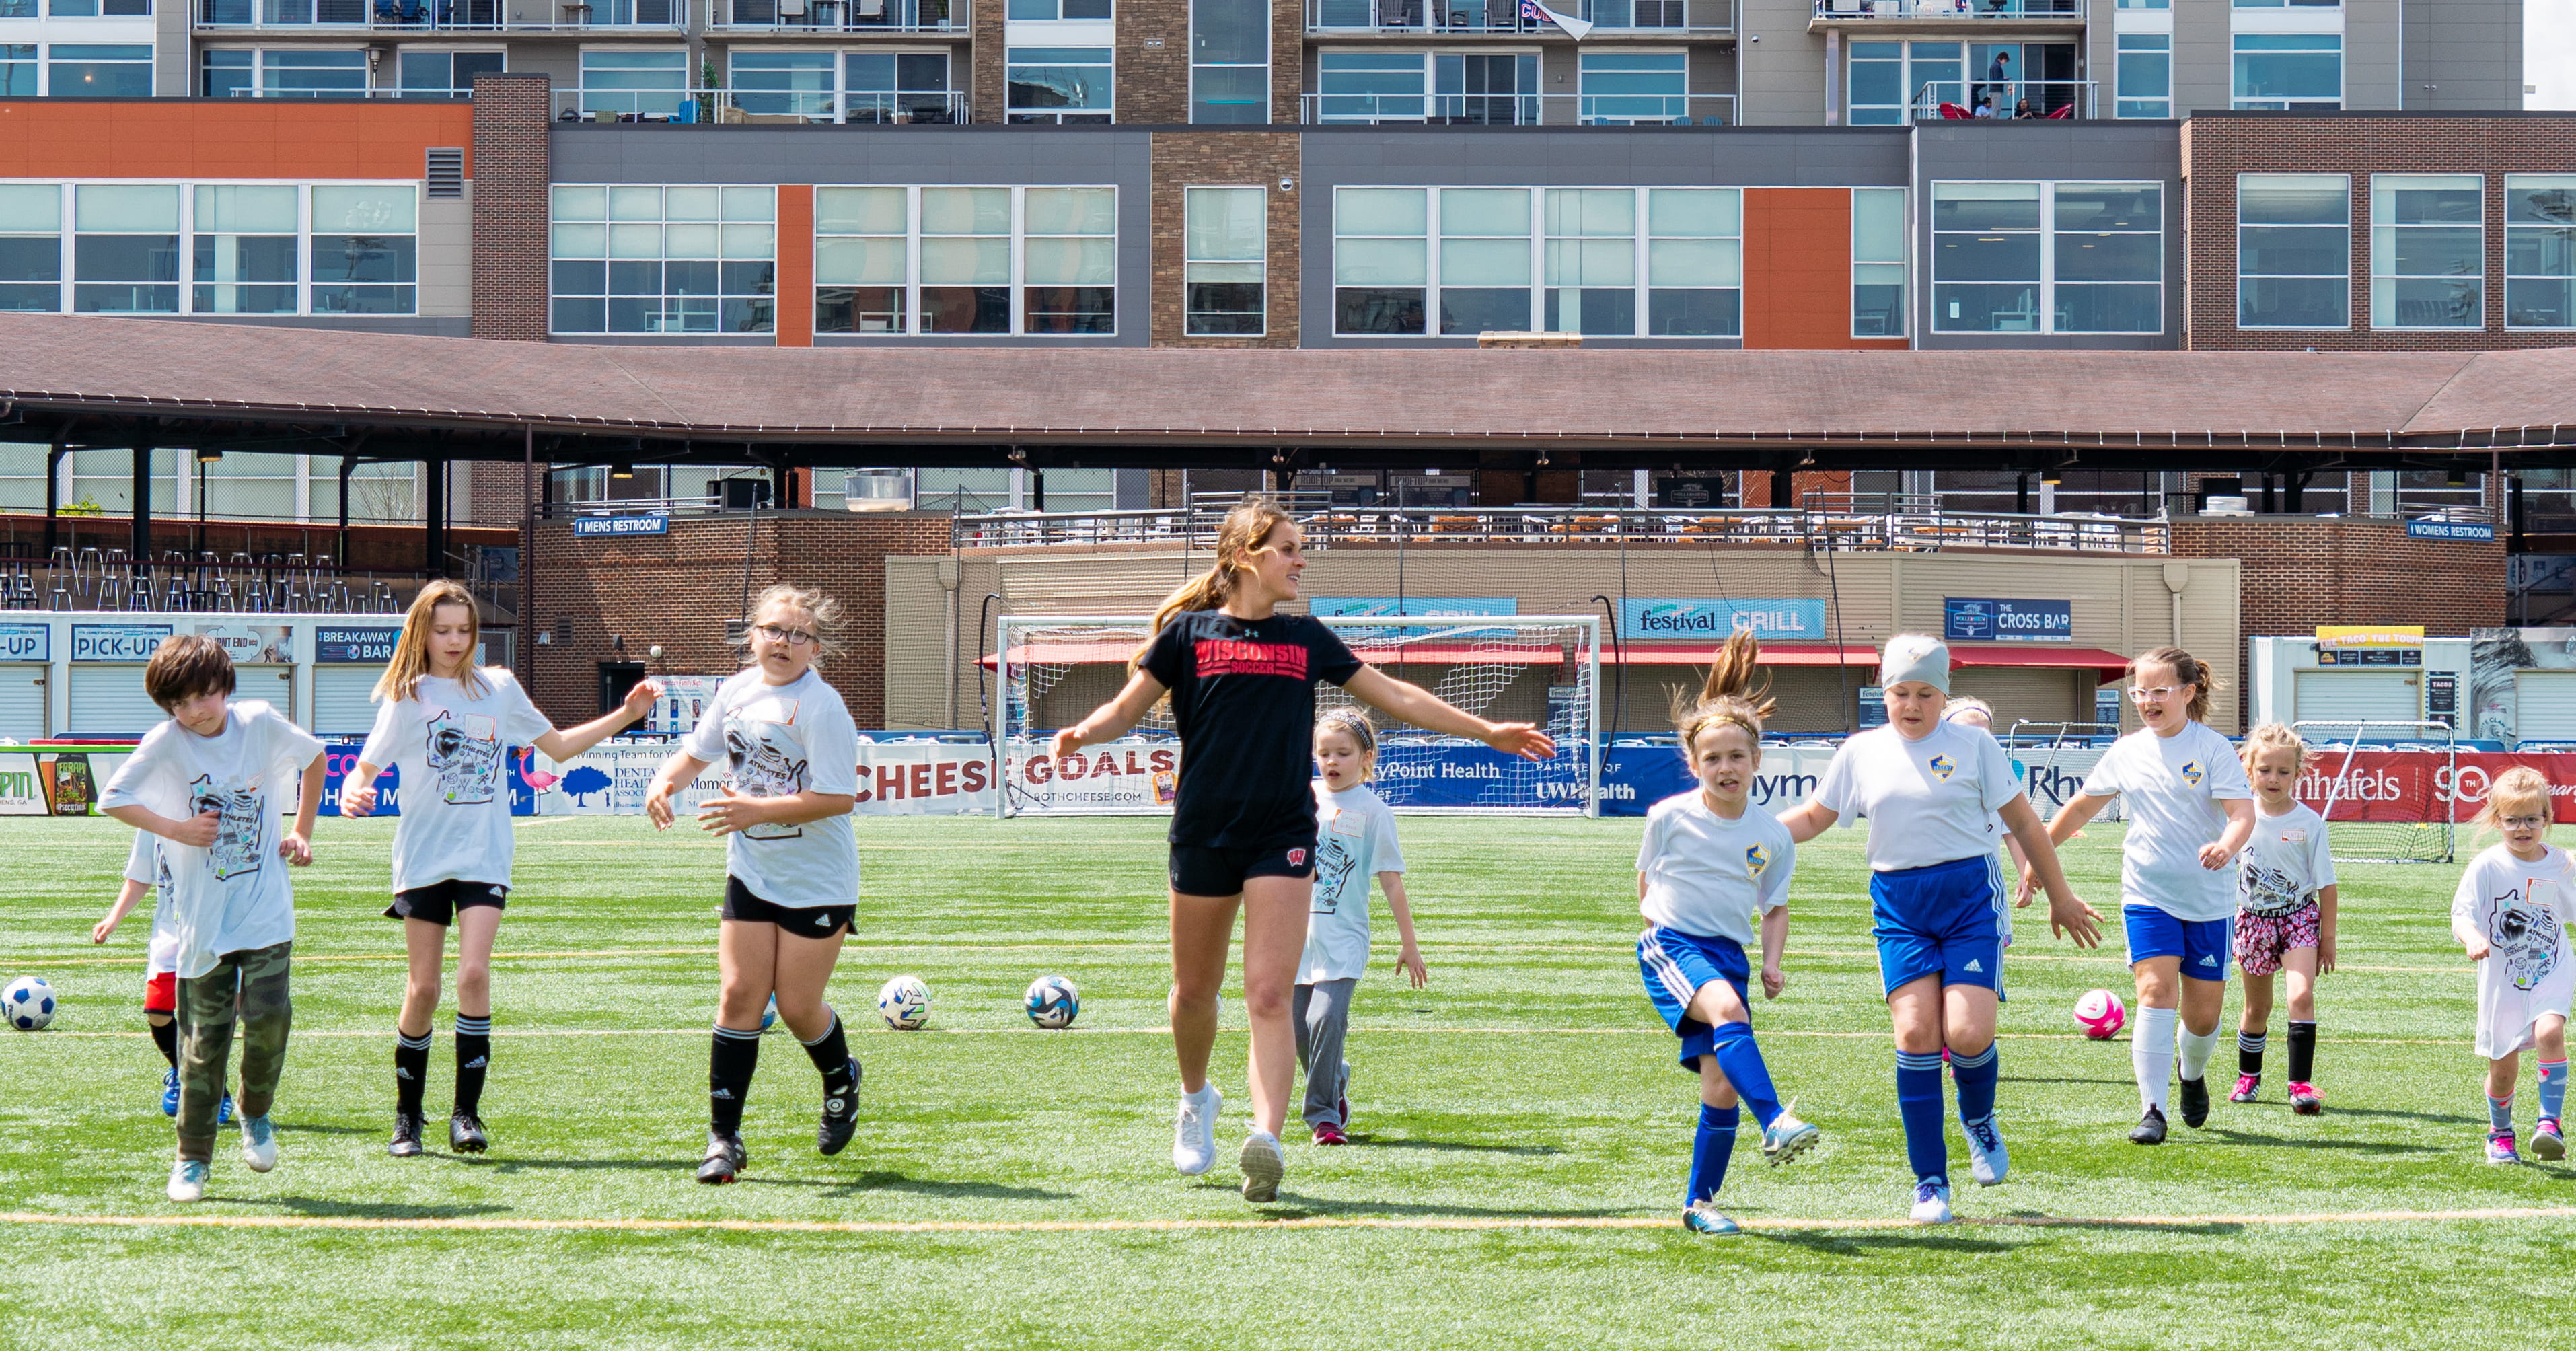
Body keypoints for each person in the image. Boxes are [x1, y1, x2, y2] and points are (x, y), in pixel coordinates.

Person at [1050, 497, 1555, 1203]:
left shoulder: (1306, 637)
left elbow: (1396, 694)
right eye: (1289, 547)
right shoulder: (1187, 635)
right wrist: (1080, 734)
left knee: (1267, 994)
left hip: (1283, 834)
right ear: (1245, 557)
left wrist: (1486, 731)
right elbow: (1126, 708)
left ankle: (1267, 1139)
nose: (1300, 560)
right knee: (1195, 993)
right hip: (1202, 833)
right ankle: (1196, 1099)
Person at [1780, 635, 2097, 1225]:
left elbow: (2025, 823)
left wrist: (2061, 895)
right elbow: (1814, 817)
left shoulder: (1973, 745)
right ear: (1884, 693)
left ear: (1943, 694)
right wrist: (1753, 838)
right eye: (1900, 692)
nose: (1912, 704)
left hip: (1969, 898)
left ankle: (1978, 1119)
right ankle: (1929, 1183)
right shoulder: (1860, 751)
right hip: (1899, 905)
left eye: (1925, 693)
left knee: (1968, 1033)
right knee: (1915, 1035)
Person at [343, 579, 663, 1158]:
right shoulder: (408, 696)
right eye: (442, 630)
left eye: (464, 630)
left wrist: (628, 713)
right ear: (422, 631)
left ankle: (466, 1115)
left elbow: (559, 748)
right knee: (423, 989)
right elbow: (363, 769)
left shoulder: (499, 687)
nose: (455, 640)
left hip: (484, 855)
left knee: (472, 977)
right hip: (422, 859)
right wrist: (352, 793)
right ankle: (407, 1118)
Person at [647, 584, 864, 1185]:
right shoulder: (736, 692)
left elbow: (838, 797)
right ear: (752, 634)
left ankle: (841, 1076)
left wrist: (757, 812)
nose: (784, 643)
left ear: (816, 648)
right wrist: (664, 784)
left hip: (818, 880)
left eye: (799, 635)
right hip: (751, 871)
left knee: (795, 1008)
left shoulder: (821, 708)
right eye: (773, 630)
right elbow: (695, 754)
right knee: (740, 995)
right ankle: (723, 1140)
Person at [100, 634, 325, 1204]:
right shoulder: (167, 743)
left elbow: (316, 757)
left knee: (271, 1020)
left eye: (203, 696)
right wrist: (174, 830)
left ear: (225, 686)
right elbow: (111, 798)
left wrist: (301, 830)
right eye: (180, 704)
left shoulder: (260, 723)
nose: (194, 712)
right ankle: (192, 1159)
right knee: (202, 1046)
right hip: (201, 921)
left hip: (266, 910)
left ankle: (256, 1111)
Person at [1639, 630, 1819, 1237]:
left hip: (1727, 954)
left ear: (1757, 761)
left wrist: (1771, 962)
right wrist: (1657, 925)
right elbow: (1645, 878)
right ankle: (1774, 1118)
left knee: (1718, 1090)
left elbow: (1774, 908)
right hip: (1672, 945)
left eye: (1735, 756)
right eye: (1711, 758)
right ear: (1693, 765)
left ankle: (1699, 1204)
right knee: (1727, 1008)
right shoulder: (1668, 817)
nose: (1724, 767)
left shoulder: (1772, 836)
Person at [2036, 647, 2254, 1146]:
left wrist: (2226, 845)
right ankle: (2151, 1110)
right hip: (2146, 893)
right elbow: (2079, 809)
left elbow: (2242, 813)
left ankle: (2191, 1072)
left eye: (2159, 691)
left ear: (2187, 692)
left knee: (2201, 1019)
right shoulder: (2126, 750)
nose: (2147, 701)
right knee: (2155, 995)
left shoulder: (2212, 749)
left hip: (2208, 902)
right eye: (2139, 691)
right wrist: (2036, 857)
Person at [1294, 707, 1418, 1148]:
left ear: (1366, 757)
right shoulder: (1300, 798)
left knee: (1326, 1018)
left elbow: (1390, 880)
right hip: (1293, 942)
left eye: (1342, 753)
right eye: (1323, 753)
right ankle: (1335, 1079)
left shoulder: (1374, 812)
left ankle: (1324, 1118)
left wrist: (1409, 944)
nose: (1331, 761)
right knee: (1299, 1032)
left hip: (1343, 941)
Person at [2450, 766, 2571, 1164]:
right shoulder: (2487, 866)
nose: (2523, 828)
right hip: (2503, 979)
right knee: (2503, 1068)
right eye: (2513, 820)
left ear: (2548, 820)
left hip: (2551, 970)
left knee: (2551, 1031)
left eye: (2532, 819)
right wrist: (2474, 938)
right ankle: (2500, 1131)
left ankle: (2549, 1124)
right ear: (2496, 820)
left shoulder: (2560, 865)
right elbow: (2461, 914)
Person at [2230, 723, 2337, 1114]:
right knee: (2257, 1009)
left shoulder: (2309, 824)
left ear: (2298, 773)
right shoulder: (2238, 818)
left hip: (2298, 919)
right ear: (2249, 770)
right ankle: (2249, 1076)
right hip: (2253, 921)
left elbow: (2326, 885)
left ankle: (2300, 1086)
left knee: (2301, 995)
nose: (2274, 779)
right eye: (2265, 770)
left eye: (2284, 771)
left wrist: (2328, 938)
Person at [93, 830, 232, 1124]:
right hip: (170, 933)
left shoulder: (215, 810)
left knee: (207, 1016)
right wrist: (114, 918)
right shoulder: (151, 818)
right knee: (157, 1012)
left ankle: (219, 1090)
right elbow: (141, 875)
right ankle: (181, 1070)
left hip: (216, 932)